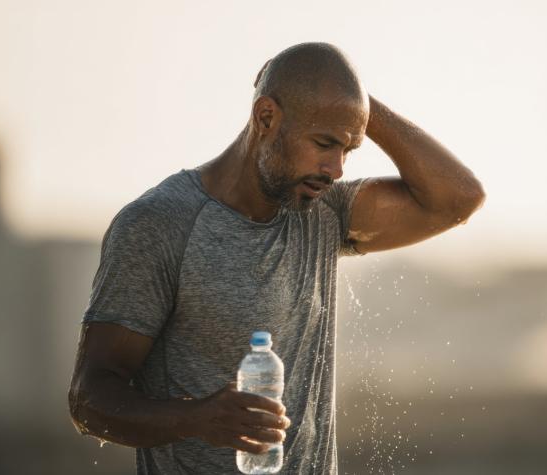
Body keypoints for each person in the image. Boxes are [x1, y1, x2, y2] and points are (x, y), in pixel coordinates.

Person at [68, 42, 485, 474]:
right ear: (266, 117)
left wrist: (353, 101)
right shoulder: (159, 224)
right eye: (324, 143)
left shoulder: (324, 213)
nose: (337, 169)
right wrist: (195, 419)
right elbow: (89, 399)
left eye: (348, 149)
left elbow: (458, 199)